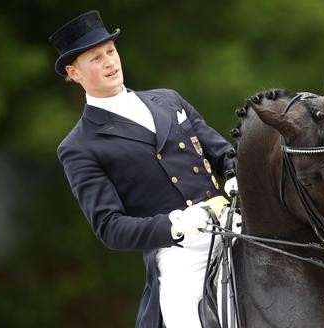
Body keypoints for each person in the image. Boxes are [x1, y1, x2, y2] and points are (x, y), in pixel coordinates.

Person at [49, 10, 238, 328]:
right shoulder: (79, 146)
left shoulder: (169, 100)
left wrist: (236, 178)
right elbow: (110, 227)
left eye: (110, 51)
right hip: (180, 252)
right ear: (74, 72)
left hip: (232, 224)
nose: (110, 62)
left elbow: (223, 155)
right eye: (96, 58)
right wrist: (177, 224)